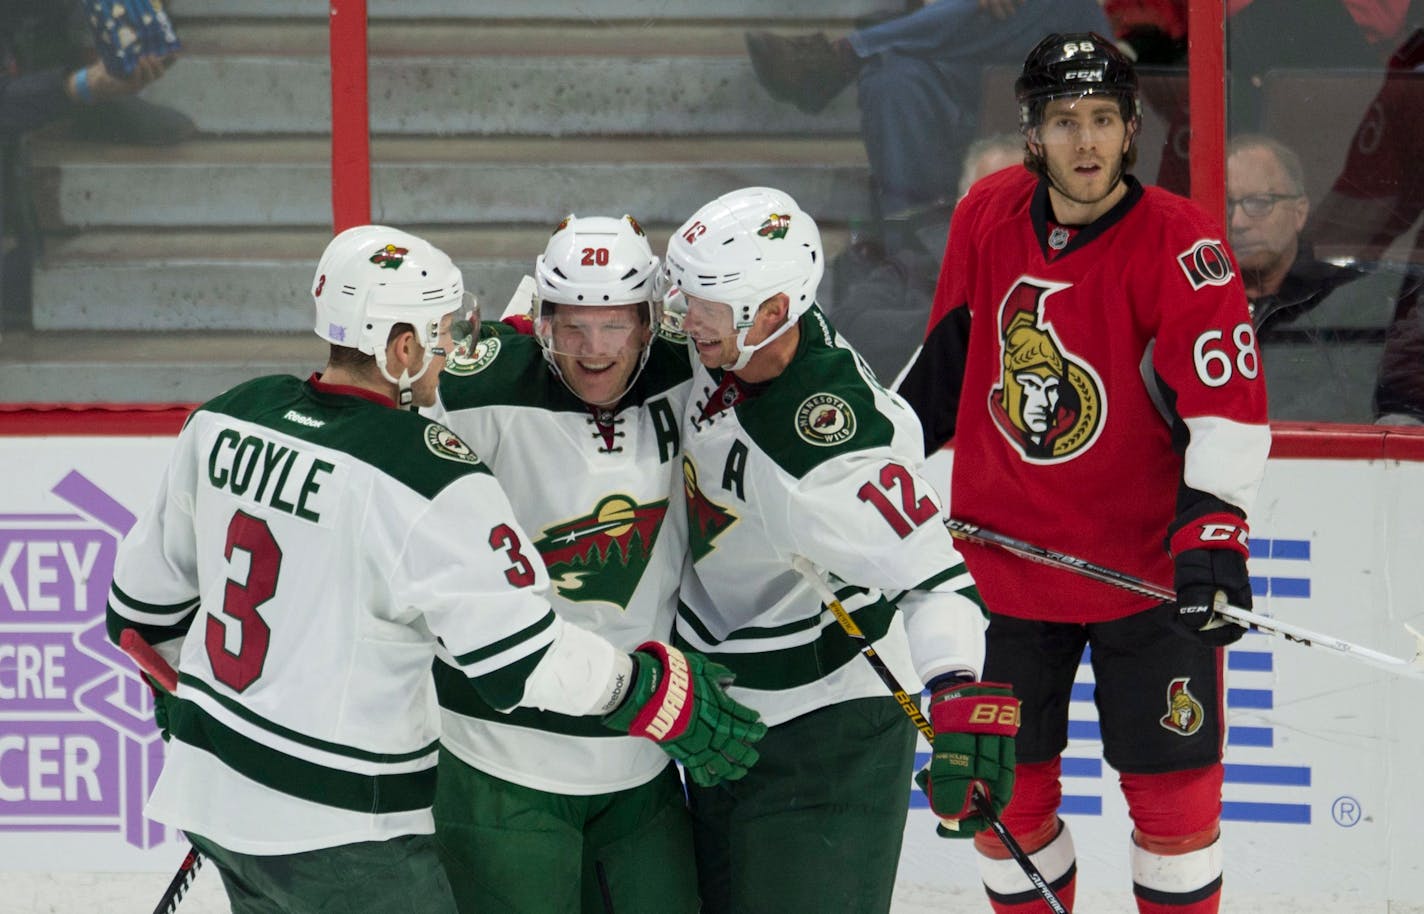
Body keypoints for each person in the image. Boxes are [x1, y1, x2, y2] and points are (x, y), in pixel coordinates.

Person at [104, 225, 766, 914]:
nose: (452, 349)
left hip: (214, 794)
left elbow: (137, 617)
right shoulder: (423, 470)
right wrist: (648, 689)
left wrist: (199, 705)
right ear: (399, 349)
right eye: (440, 331)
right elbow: (521, 659)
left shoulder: (228, 418)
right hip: (345, 823)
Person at [896, 34, 1270, 913]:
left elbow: (1225, 407)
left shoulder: (1185, 245)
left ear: (1133, 128)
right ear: (1033, 134)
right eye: (1065, 121)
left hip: (1144, 578)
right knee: (1000, 808)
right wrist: (854, 480)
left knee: (1177, 815)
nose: (1088, 141)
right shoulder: (985, 215)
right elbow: (944, 368)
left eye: (1104, 119)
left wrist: (1213, 534)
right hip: (1004, 571)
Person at [663, 185, 1015, 914]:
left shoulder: (835, 450)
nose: (686, 317)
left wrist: (956, 696)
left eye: (710, 303)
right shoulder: (718, 346)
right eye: (686, 293)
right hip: (718, 714)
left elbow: (939, 583)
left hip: (825, 739)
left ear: (774, 311)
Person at [425, 214, 702, 913]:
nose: (594, 349)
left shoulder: (692, 366)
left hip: (641, 755)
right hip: (498, 758)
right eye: (573, 325)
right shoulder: (467, 388)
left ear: (650, 319)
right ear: (542, 319)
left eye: (614, 325)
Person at [745, 0, 1110, 252]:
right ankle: (911, 242)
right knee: (892, 78)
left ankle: (843, 56)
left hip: (1068, 44)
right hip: (966, 49)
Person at [825, 131, 1026, 383]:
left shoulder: (1070, 277)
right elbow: (844, 328)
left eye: (1017, 200)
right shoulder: (914, 268)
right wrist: (957, 322)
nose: (1000, 214)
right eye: (986, 198)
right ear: (960, 207)